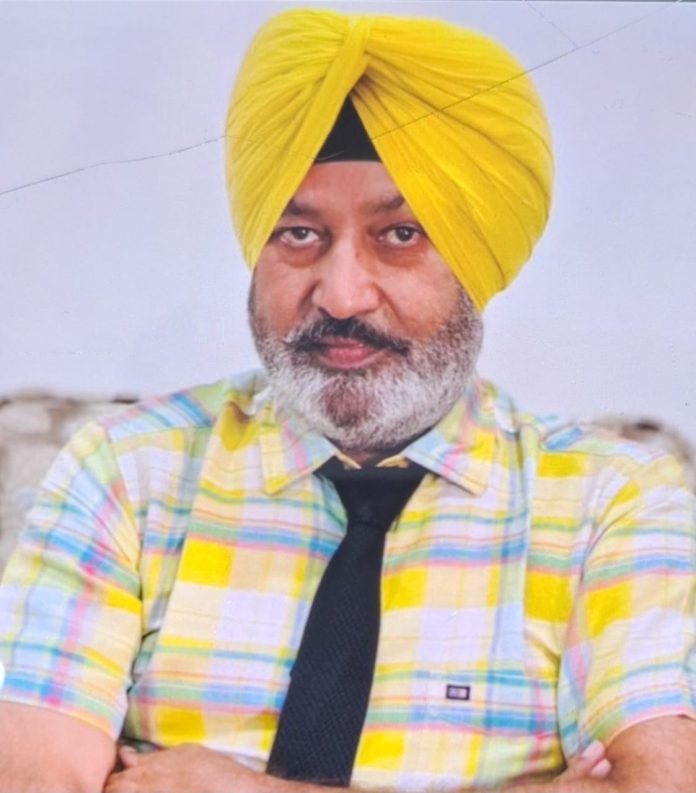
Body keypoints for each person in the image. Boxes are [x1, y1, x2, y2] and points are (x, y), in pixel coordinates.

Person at [1, 8, 695, 793]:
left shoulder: (614, 498)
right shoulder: (128, 471)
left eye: (400, 235)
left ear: (478, 260)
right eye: (299, 234)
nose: (340, 294)